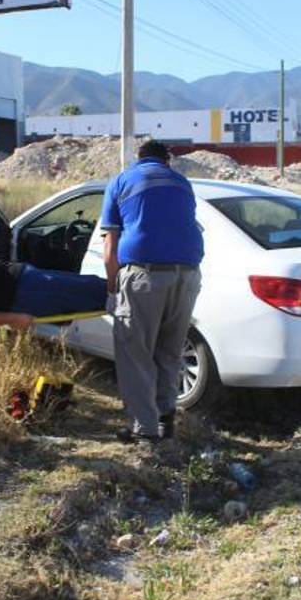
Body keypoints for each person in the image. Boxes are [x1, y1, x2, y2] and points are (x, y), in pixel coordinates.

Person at [101, 140, 204, 444]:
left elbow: (110, 246)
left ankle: (143, 430)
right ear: (167, 161)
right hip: (186, 276)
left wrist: (112, 287)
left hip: (145, 276)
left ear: (139, 159)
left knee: (136, 354)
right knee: (169, 351)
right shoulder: (182, 183)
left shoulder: (121, 181)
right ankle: (165, 420)